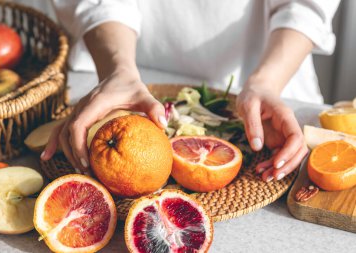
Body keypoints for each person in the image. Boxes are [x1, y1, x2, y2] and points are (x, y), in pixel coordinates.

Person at [42, 0, 340, 182]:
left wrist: (266, 82)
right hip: (128, 69)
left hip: (273, 73)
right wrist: (118, 71)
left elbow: (304, 5)